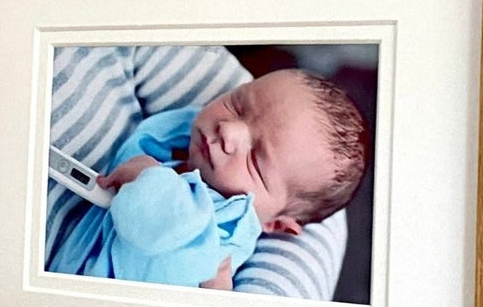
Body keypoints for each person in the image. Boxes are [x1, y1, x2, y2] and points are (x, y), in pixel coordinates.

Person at [48, 67, 367, 290]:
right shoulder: (188, 155)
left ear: (277, 224)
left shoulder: (223, 229)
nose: (229, 130)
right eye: (239, 104)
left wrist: (147, 179)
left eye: (255, 159)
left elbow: (163, 234)